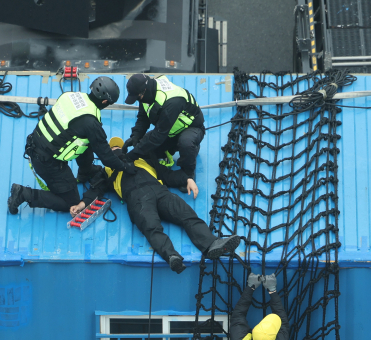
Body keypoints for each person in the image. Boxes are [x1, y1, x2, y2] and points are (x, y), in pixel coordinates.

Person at [73, 137, 241, 274]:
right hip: (138, 198)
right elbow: (95, 190)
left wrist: (186, 179)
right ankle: (172, 256)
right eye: (113, 149)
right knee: (152, 227)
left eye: (118, 148)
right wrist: (82, 204)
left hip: (159, 192)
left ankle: (211, 245)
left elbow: (167, 174)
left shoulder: (143, 159)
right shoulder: (107, 171)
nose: (116, 151)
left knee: (185, 214)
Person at [8, 77, 133, 215]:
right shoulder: (91, 123)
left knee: (87, 140)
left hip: (35, 144)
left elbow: (82, 139)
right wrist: (125, 167)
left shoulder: (70, 96)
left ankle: (86, 172)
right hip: (47, 163)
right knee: (70, 202)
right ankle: (24, 194)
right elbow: (106, 157)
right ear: (104, 101)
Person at [123, 74, 205, 179]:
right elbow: (143, 118)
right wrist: (135, 136)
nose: (138, 100)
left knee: (186, 143)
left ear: (145, 91)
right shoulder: (145, 95)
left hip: (191, 128)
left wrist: (132, 155)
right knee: (146, 152)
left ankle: (187, 174)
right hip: (169, 131)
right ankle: (174, 146)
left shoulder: (171, 101)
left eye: (138, 97)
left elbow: (158, 135)